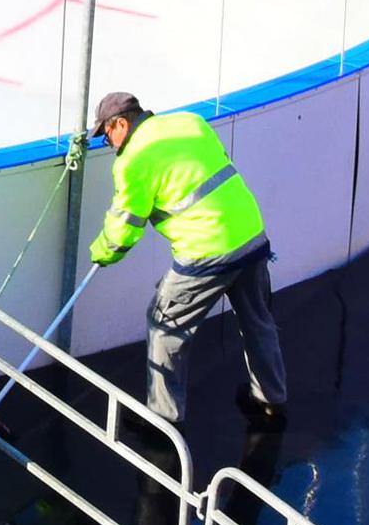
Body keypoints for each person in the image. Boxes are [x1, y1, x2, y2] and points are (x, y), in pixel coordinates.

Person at [87, 90, 288, 433]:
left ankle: (163, 420)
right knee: (258, 321)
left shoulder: (133, 160)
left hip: (205, 252)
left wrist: (101, 253)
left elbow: (124, 228)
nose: (109, 144)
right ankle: (270, 398)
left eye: (106, 135)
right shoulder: (190, 123)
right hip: (251, 236)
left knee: (165, 325)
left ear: (120, 123)